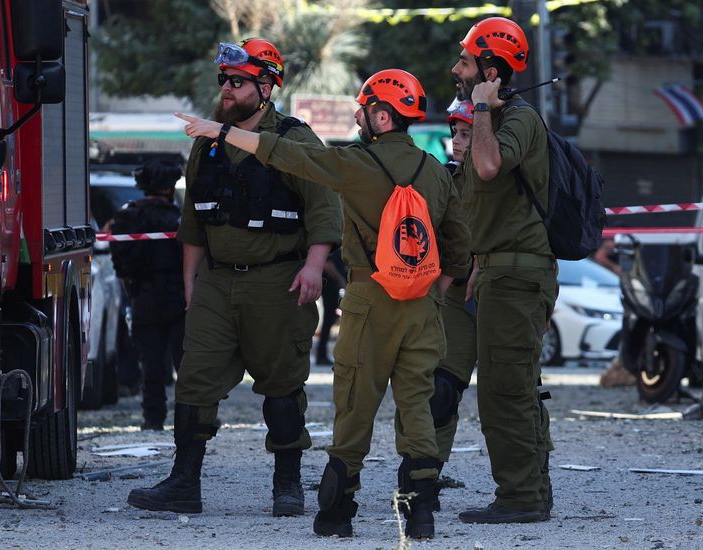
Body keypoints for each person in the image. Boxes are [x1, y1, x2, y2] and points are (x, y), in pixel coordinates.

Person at [175, 68, 471, 540]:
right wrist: (435, 291)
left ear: (382, 116)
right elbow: (459, 247)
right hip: (421, 305)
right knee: (417, 403)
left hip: (371, 300)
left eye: (363, 109)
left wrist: (222, 132)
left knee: (354, 404)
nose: (357, 117)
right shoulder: (436, 171)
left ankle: (338, 511)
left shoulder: (356, 164)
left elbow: (288, 155)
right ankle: (420, 512)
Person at [126, 38, 343, 518]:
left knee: (282, 383)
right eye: (224, 79)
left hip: (278, 281)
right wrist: (191, 283)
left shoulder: (295, 140)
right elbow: (192, 222)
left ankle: (287, 484)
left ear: (266, 88)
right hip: (216, 283)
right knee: (194, 380)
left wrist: (314, 265)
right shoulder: (207, 143)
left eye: (238, 81)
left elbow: (325, 208)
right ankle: (184, 483)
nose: (226, 88)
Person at [450, 17, 558, 524]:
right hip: (500, 270)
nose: (457, 70)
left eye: (466, 62)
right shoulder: (497, 117)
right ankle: (532, 490)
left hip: (518, 276)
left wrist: (481, 109)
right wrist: (478, 259)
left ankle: (521, 497)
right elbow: (489, 204)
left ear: (490, 71)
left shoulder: (518, 118)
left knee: (505, 390)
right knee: (516, 385)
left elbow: (489, 166)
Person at [406, 99, 477, 508]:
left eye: (466, 134)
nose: (457, 142)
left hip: (505, 293)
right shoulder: (444, 178)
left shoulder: (515, 179)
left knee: (522, 393)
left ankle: (531, 479)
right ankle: (425, 477)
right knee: (442, 390)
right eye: (455, 133)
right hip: (454, 293)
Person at [109, 158, 186, 431]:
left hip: (143, 296)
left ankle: (153, 418)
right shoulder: (180, 219)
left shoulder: (127, 217)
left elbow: (119, 262)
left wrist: (132, 290)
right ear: (170, 187)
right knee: (187, 364)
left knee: (150, 364)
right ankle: (192, 418)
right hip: (180, 298)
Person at [315, 249, 346, 366]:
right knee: (328, 320)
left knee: (331, 319)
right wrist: (341, 281)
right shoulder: (334, 246)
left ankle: (322, 354)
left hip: (335, 285)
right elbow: (327, 264)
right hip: (330, 285)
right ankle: (321, 354)